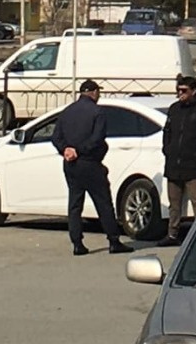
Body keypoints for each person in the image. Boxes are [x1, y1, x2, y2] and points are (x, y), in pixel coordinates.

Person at [55, 79, 132, 256]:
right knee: (103, 202)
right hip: (89, 163)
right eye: (98, 92)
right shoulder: (97, 112)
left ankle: (77, 243)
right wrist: (79, 151)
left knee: (75, 204)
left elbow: (56, 137)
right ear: (93, 92)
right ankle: (114, 240)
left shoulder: (67, 112)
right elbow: (97, 139)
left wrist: (66, 150)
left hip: (70, 164)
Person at [159, 74, 196, 242]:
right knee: (174, 203)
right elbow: (167, 130)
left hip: (193, 163)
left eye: (184, 90)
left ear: (193, 91)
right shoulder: (174, 108)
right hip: (173, 163)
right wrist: (167, 148)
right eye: (178, 90)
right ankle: (172, 234)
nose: (180, 94)